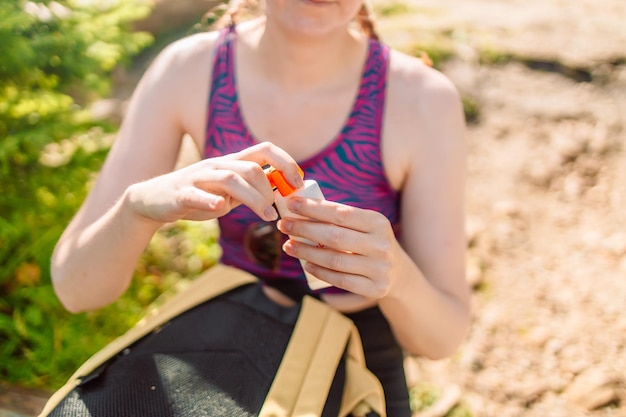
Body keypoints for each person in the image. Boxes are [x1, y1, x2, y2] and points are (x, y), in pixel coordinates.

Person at [51, 0, 471, 415]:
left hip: (357, 354)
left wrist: (395, 276)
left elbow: (442, 339)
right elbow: (77, 289)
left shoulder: (423, 99)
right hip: (227, 332)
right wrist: (136, 209)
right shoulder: (188, 69)